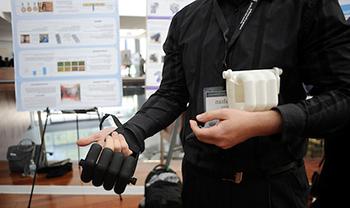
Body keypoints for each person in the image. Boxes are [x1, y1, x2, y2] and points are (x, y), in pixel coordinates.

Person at [78, 0, 350, 207]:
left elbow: (343, 97)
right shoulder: (186, 19)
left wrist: (266, 122)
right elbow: (172, 93)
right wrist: (129, 132)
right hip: (199, 185)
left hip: (273, 188)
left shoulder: (305, 7)